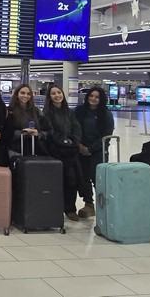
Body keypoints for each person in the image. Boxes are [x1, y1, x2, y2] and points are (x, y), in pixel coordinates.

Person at [43, 84, 86, 222]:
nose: (57, 95)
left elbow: (76, 127)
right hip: (56, 151)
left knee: (72, 180)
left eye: (59, 92)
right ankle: (55, 208)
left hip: (70, 151)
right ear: (49, 97)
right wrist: (63, 141)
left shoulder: (69, 112)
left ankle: (70, 209)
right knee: (59, 181)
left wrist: (73, 140)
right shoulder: (47, 113)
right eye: (53, 93)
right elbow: (50, 131)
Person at [74, 86, 114, 218]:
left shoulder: (106, 114)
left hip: (98, 151)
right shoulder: (79, 111)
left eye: (97, 97)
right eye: (91, 96)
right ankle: (88, 204)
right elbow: (73, 127)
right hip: (80, 149)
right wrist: (79, 145)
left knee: (98, 178)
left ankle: (103, 205)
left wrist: (90, 149)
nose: (93, 99)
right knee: (84, 177)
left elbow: (107, 135)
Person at [5, 83, 52, 157]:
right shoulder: (10, 111)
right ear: (17, 95)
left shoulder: (36, 111)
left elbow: (49, 130)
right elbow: (6, 132)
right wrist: (22, 133)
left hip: (35, 150)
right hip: (15, 150)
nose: (25, 96)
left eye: (28, 94)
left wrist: (38, 134)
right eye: (22, 93)